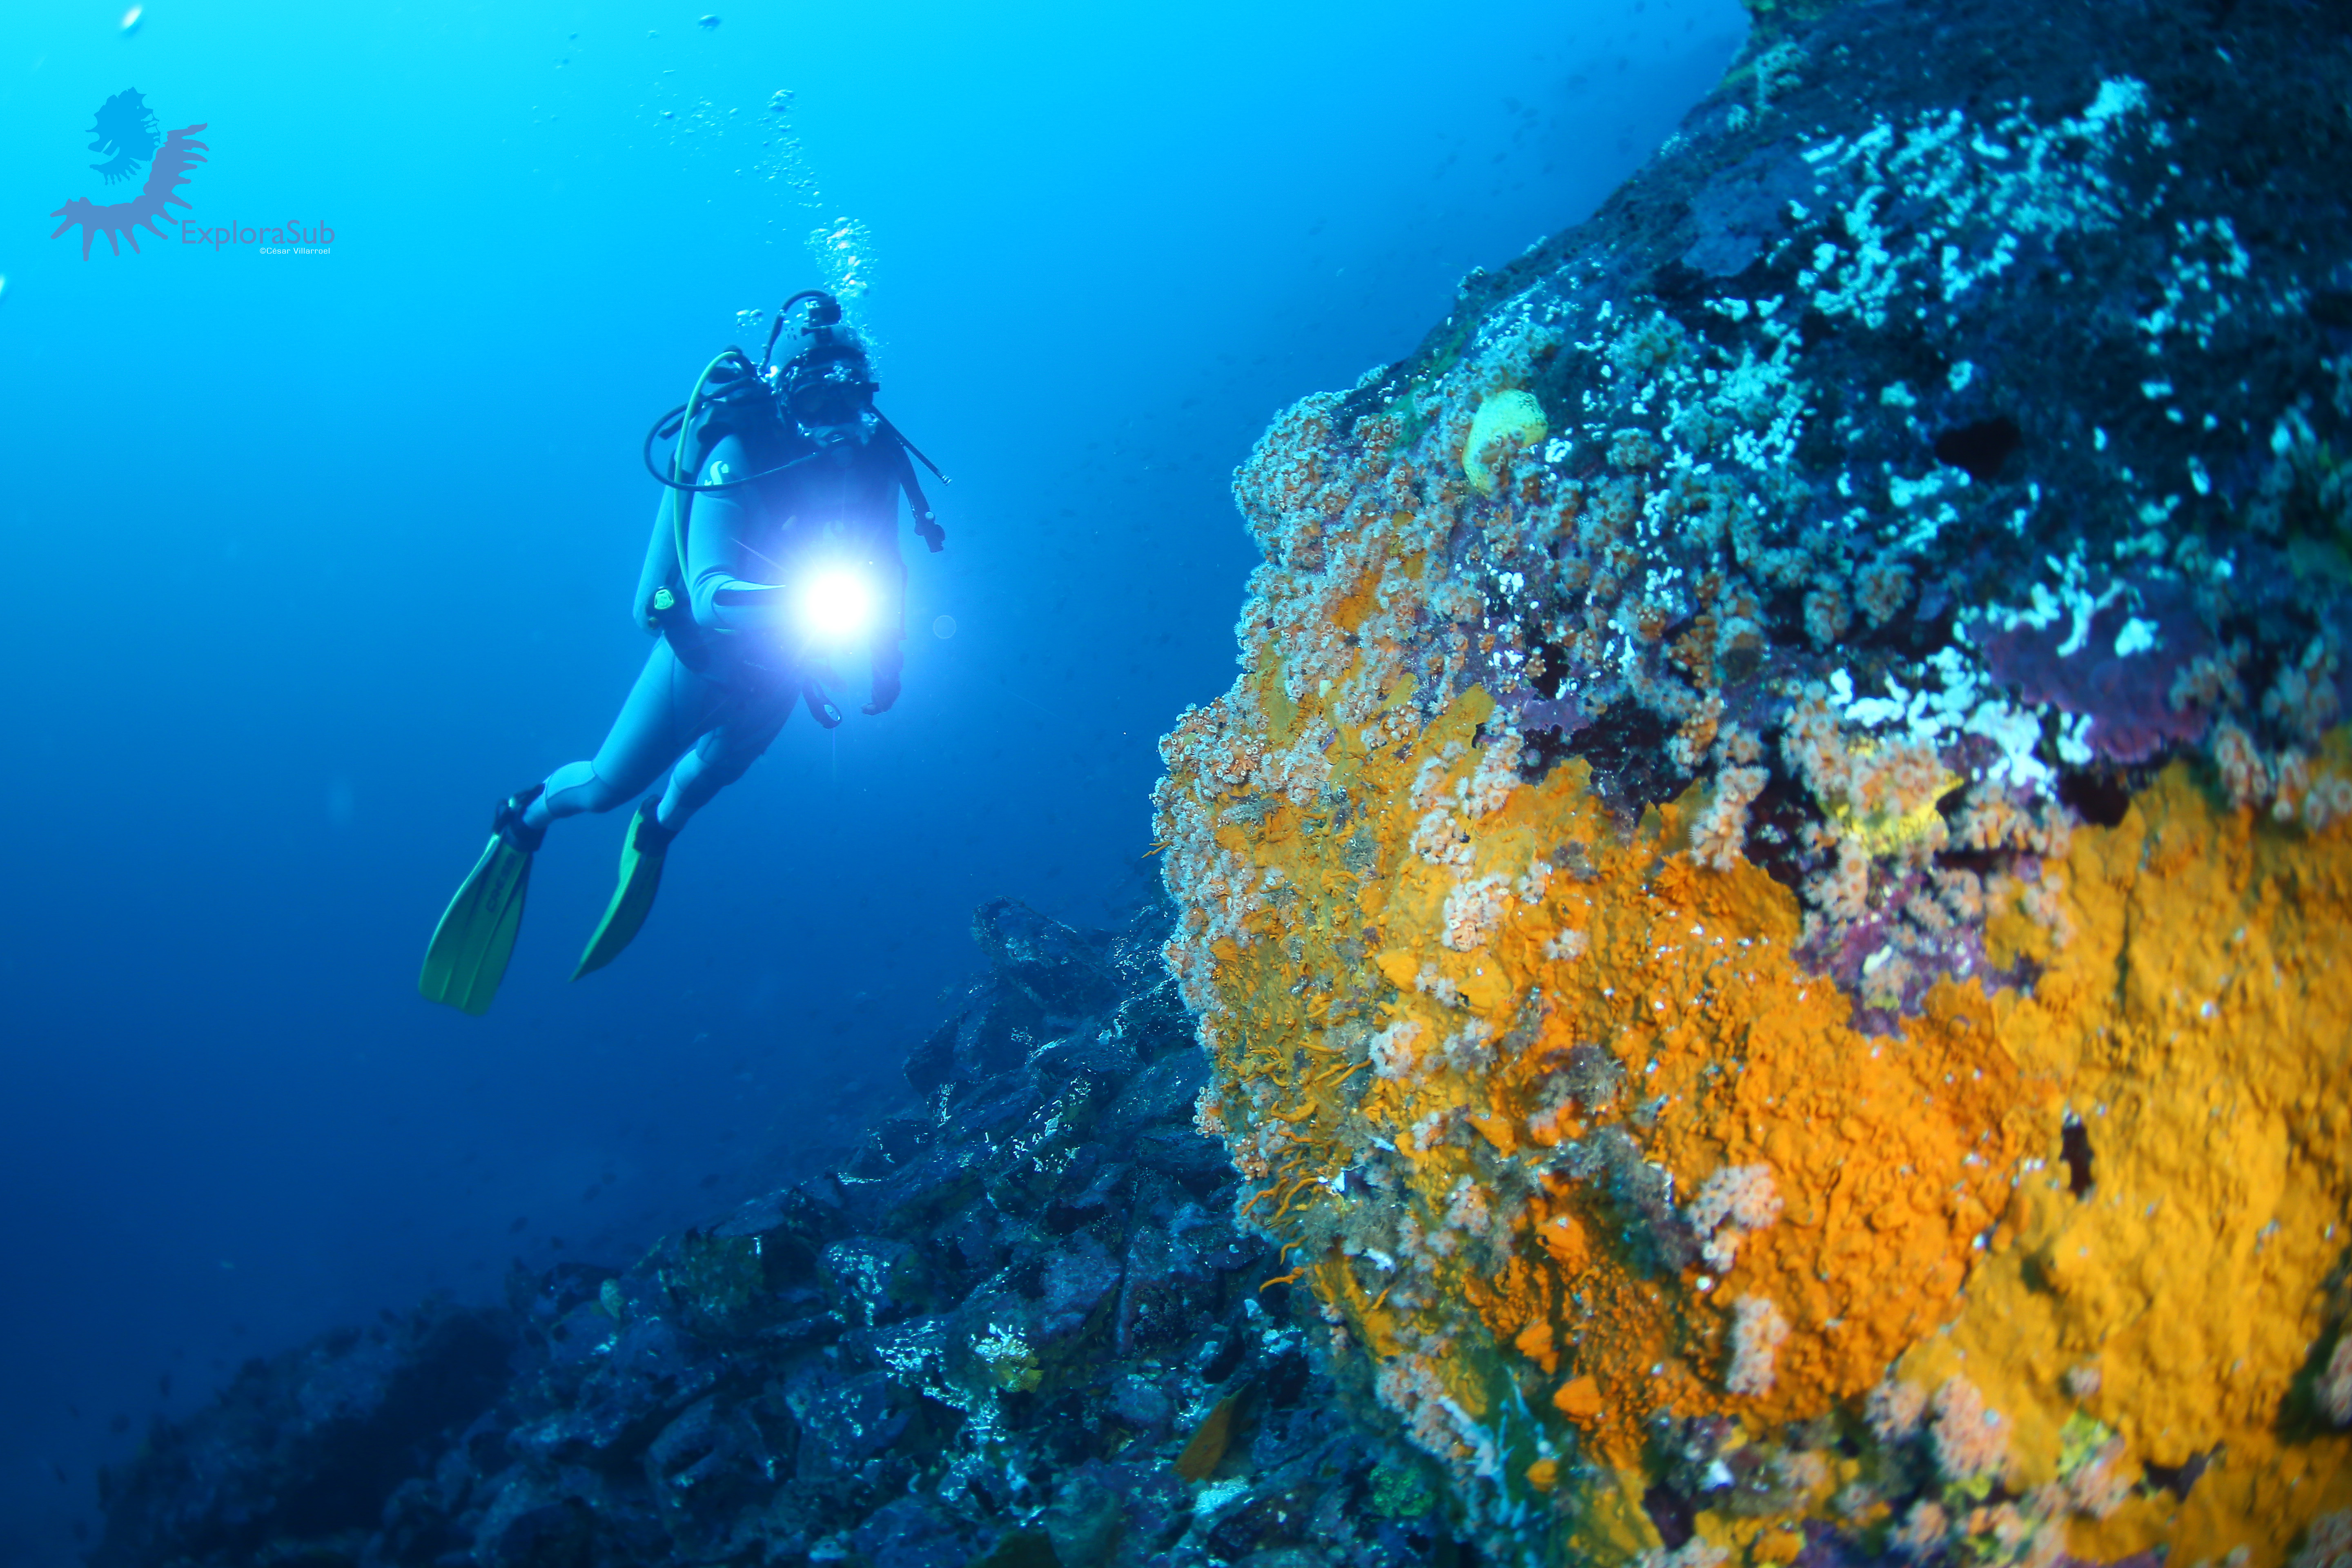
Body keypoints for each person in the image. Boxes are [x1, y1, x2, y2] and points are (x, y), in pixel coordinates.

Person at [419, 292, 946, 1013]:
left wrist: (886, 652)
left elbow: (884, 561)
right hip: (706, 656)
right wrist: (821, 610)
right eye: (821, 398)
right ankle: (525, 817)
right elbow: (710, 591)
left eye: (853, 399)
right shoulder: (742, 448)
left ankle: (659, 828)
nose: (840, 422)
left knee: (715, 774)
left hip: (785, 662)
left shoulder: (874, 459)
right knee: (608, 786)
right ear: (789, 396)